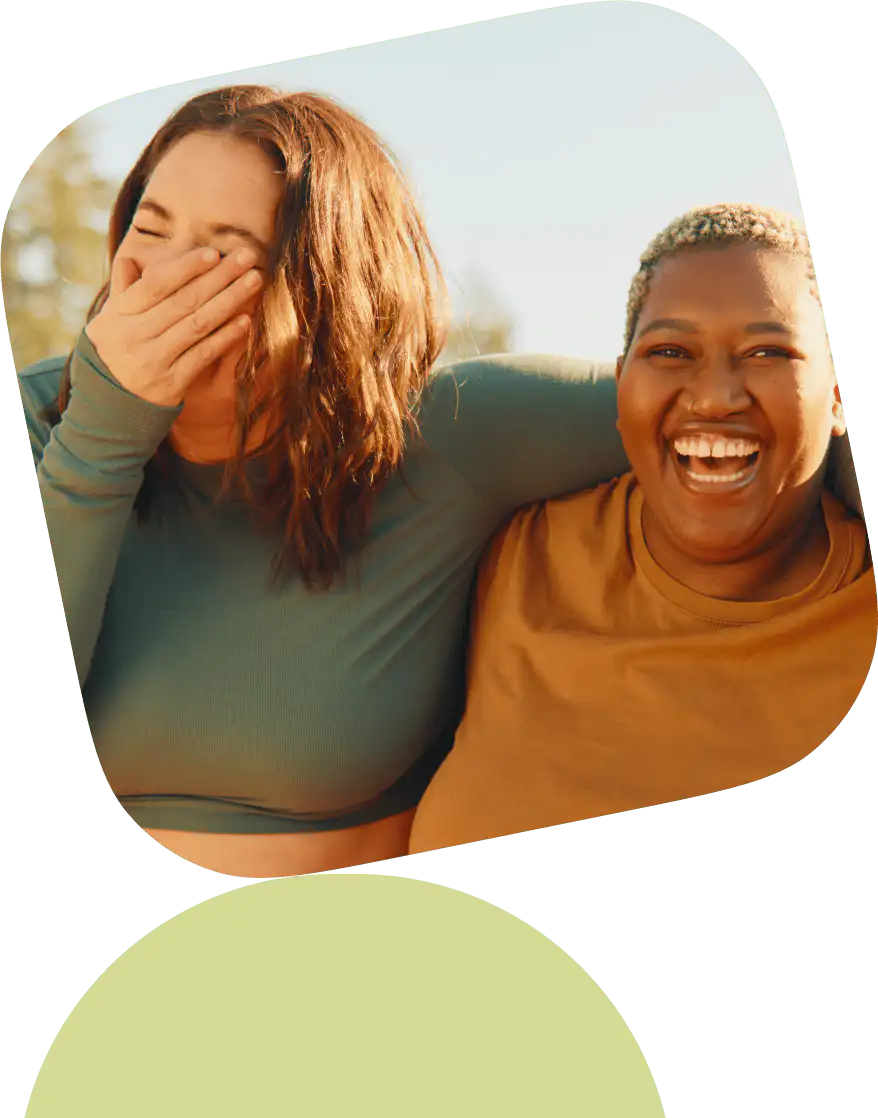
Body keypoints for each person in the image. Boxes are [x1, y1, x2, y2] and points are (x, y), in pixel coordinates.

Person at [12, 84, 629, 879]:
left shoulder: (446, 433)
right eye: (150, 227)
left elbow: (720, 406)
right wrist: (100, 437)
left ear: (329, 291)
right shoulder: (35, 420)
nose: (160, 278)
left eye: (224, 253)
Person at [408, 205, 877, 855]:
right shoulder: (508, 553)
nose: (714, 396)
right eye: (670, 351)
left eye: (768, 350)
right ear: (621, 382)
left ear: (836, 396)